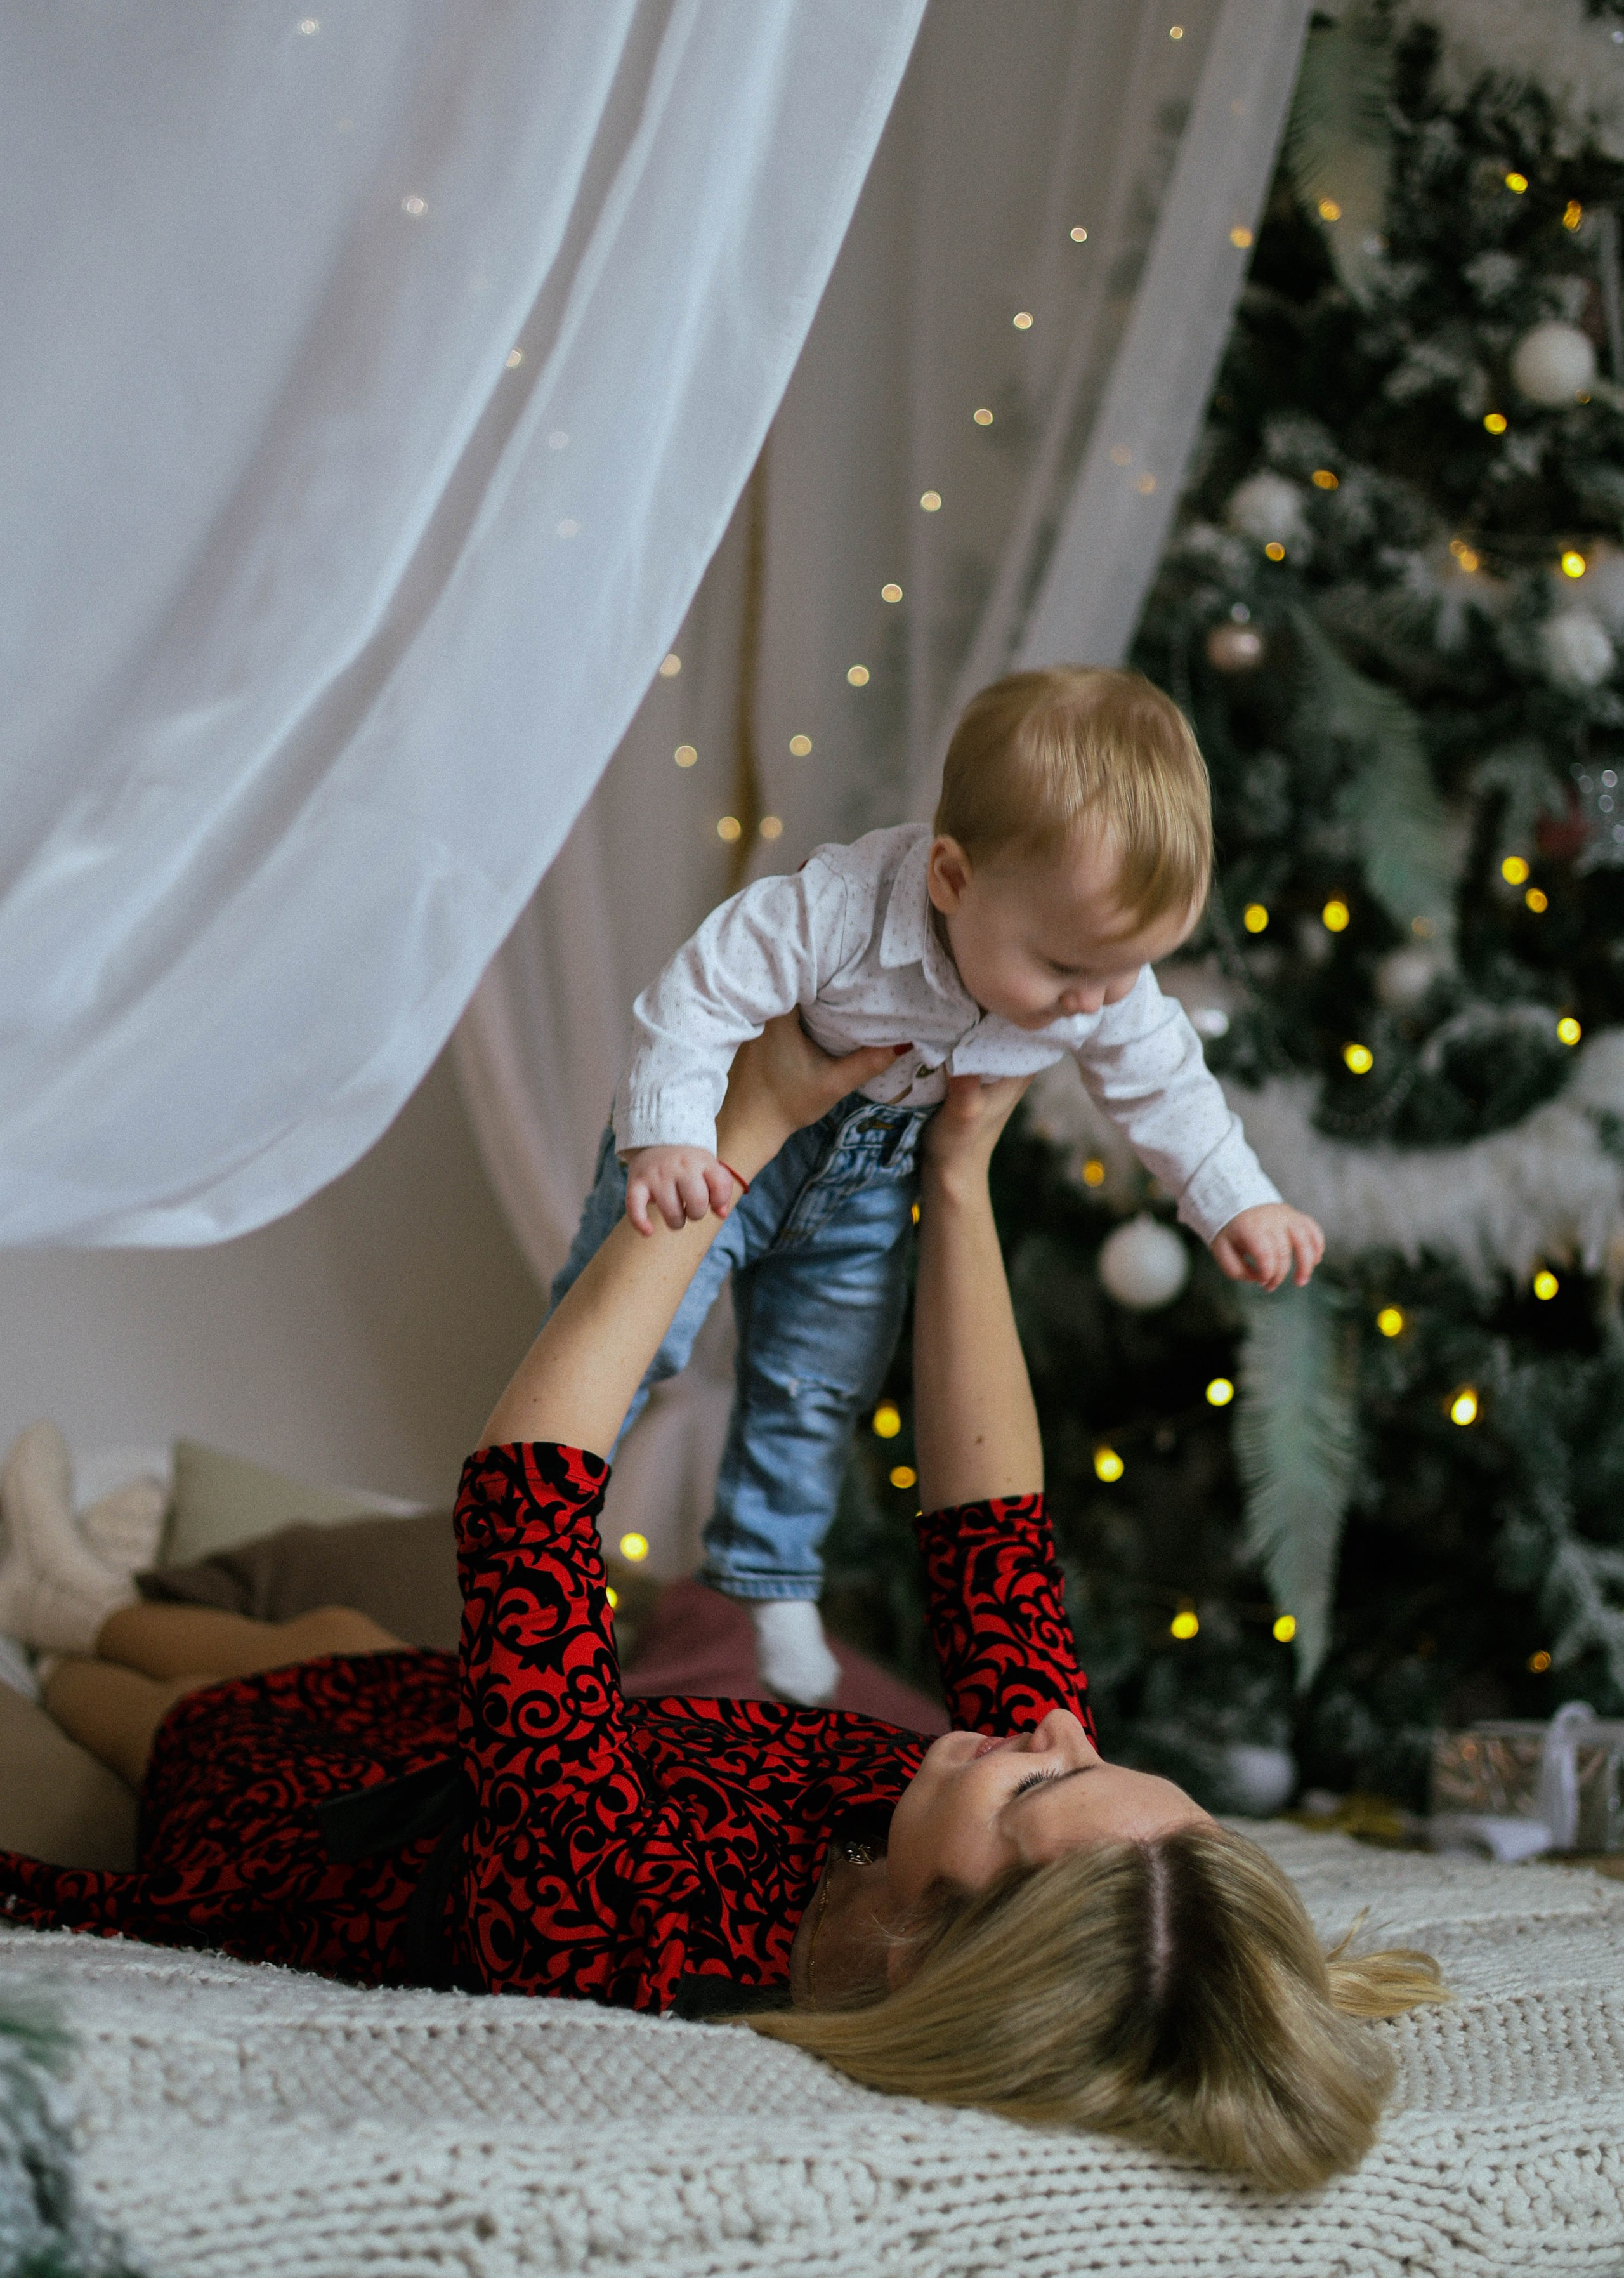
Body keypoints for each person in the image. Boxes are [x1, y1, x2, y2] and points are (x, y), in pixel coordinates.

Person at [0, 1016, 1434, 2191]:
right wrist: (960, 1166)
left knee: (185, 1711)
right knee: (349, 1644)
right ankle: (82, 1585)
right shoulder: (1004, 1821)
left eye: (1034, 1788)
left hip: (307, 1827)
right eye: (1101, 1761)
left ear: (921, 1944)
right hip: (459, 1729)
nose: (1049, 1728)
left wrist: (731, 1137)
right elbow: (987, 1521)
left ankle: (62, 1634)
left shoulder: (623, 1917)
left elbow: (525, 1497)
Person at [555, 667, 1326, 1704]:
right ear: (953, 877)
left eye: (1120, 975)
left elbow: (1167, 1083)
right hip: (725, 1147)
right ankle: (546, 1546)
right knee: (633, 1337)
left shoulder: (1097, 978)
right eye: (1062, 971)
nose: (1088, 1004)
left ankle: (767, 1579)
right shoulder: (835, 912)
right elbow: (697, 994)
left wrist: (1238, 1196)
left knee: (816, 1381)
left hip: (869, 1179)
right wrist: (668, 1138)